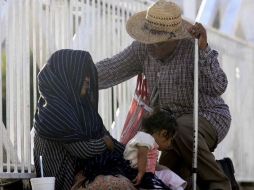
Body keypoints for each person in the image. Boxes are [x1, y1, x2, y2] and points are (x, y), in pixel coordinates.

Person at [96, 0, 234, 189]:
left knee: (183, 130)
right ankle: (218, 172)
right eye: (148, 42)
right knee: (166, 177)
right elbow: (112, 68)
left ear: (174, 38)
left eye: (158, 44)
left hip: (208, 116)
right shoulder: (144, 48)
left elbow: (219, 86)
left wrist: (204, 50)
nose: (151, 48)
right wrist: (80, 73)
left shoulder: (192, 47)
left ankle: (220, 184)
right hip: (169, 129)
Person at [33, 49, 135, 190]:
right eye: (82, 73)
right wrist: (105, 143)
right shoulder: (55, 112)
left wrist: (135, 153)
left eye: (88, 74)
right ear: (67, 75)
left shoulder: (83, 109)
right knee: (117, 185)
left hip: (84, 173)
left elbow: (111, 142)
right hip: (63, 182)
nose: (87, 79)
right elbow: (84, 150)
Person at [124, 108, 187, 190]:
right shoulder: (145, 138)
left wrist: (164, 169)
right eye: (170, 139)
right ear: (163, 133)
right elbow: (142, 155)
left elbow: (152, 164)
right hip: (136, 172)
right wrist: (140, 173)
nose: (170, 144)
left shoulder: (149, 141)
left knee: (168, 174)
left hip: (147, 173)